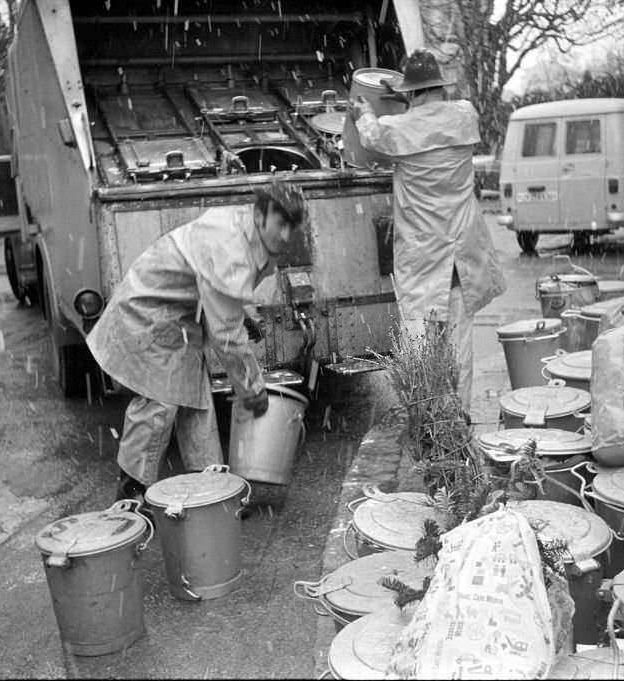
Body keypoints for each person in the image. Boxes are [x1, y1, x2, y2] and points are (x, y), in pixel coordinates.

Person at [87, 180, 308, 502]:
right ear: (261, 215)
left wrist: (243, 314)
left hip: (178, 312)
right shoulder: (231, 246)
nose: (287, 236)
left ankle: (211, 493)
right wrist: (253, 388)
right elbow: (228, 340)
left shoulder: (247, 227)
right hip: (149, 311)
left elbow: (215, 285)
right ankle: (131, 496)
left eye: (293, 226)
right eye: (282, 224)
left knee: (195, 399)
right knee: (159, 402)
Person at [350, 49, 506, 412]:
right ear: (439, 86)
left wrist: (364, 111)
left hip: (423, 258)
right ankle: (459, 420)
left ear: (410, 93)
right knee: (459, 349)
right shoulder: (466, 116)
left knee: (421, 348)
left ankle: (428, 424)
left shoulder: (397, 129)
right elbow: (437, 116)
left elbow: (371, 136)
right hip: (461, 258)